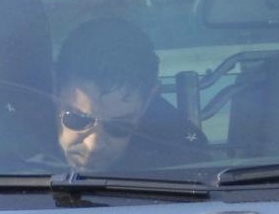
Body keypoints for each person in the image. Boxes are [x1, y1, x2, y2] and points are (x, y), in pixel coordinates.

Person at [50, 17, 201, 173]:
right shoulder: (23, 144)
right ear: (55, 87)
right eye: (77, 119)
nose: (94, 145)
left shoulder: (182, 159)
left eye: (119, 126)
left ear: (148, 100)